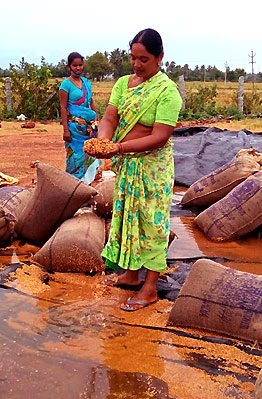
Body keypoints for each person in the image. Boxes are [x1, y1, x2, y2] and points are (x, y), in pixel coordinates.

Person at [88, 28, 182, 312]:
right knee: (128, 217)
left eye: (144, 59)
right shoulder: (123, 84)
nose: (138, 64)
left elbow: (160, 136)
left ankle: (150, 287)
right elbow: (110, 117)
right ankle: (130, 275)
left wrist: (117, 149)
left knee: (152, 223)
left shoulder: (167, 92)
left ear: (159, 57)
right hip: (128, 167)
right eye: (133, 58)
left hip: (153, 168)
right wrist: (102, 141)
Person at [58, 52, 97, 179]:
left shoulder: (86, 83)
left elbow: (90, 102)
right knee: (74, 156)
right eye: (75, 65)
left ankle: (87, 186)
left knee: (89, 155)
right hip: (74, 130)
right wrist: (65, 130)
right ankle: (74, 186)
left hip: (88, 129)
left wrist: (97, 120)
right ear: (69, 67)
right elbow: (63, 108)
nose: (78, 68)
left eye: (80, 65)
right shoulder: (66, 85)